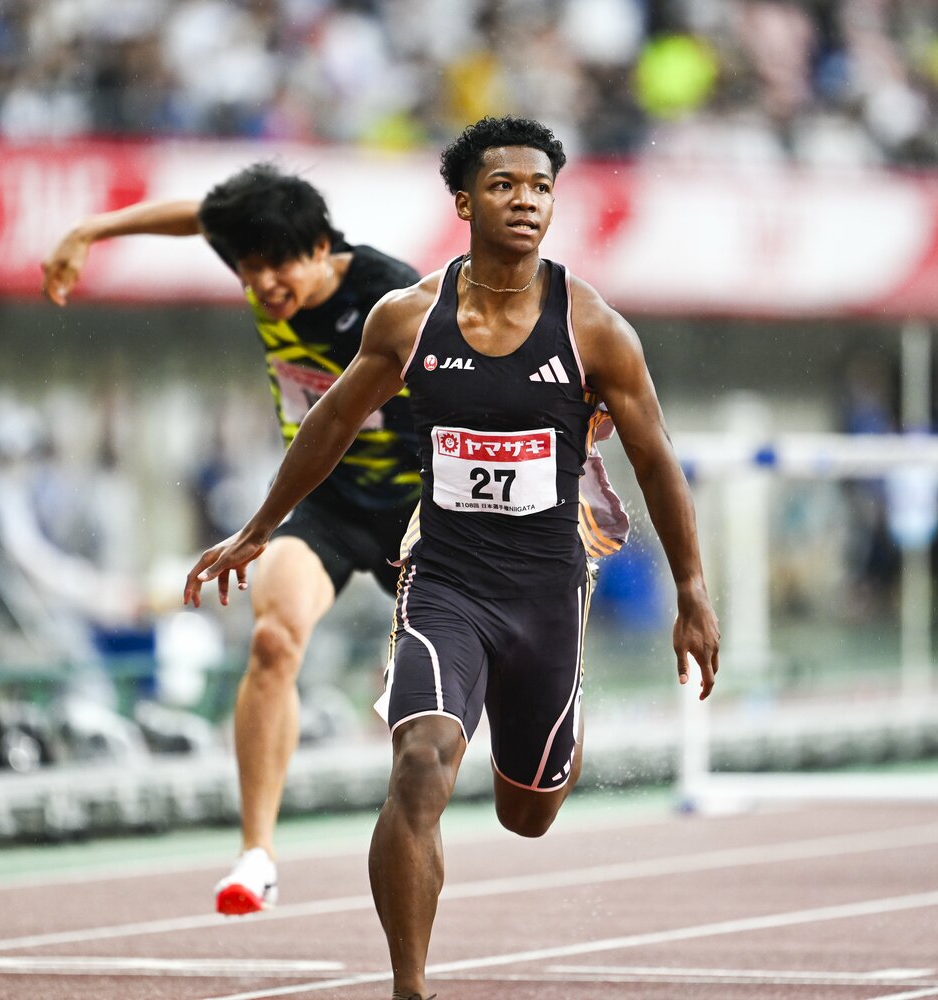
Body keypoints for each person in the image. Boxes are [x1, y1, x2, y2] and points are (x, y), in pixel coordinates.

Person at [184, 116, 720, 1000]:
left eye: (541, 187)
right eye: (505, 186)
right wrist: (260, 526)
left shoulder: (593, 327)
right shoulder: (409, 317)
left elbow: (657, 459)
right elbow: (333, 420)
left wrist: (692, 591)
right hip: (444, 581)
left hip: (546, 589)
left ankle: (556, 715)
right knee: (420, 766)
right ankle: (410, 987)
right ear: (466, 203)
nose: (526, 201)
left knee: (528, 813)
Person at [42, 164, 425, 915]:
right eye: (248, 270)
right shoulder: (258, 257)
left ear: (321, 248)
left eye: (279, 269)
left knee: (437, 682)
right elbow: (198, 214)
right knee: (273, 640)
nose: (263, 288)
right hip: (326, 502)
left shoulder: (393, 296)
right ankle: (257, 856)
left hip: (419, 507)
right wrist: (91, 229)